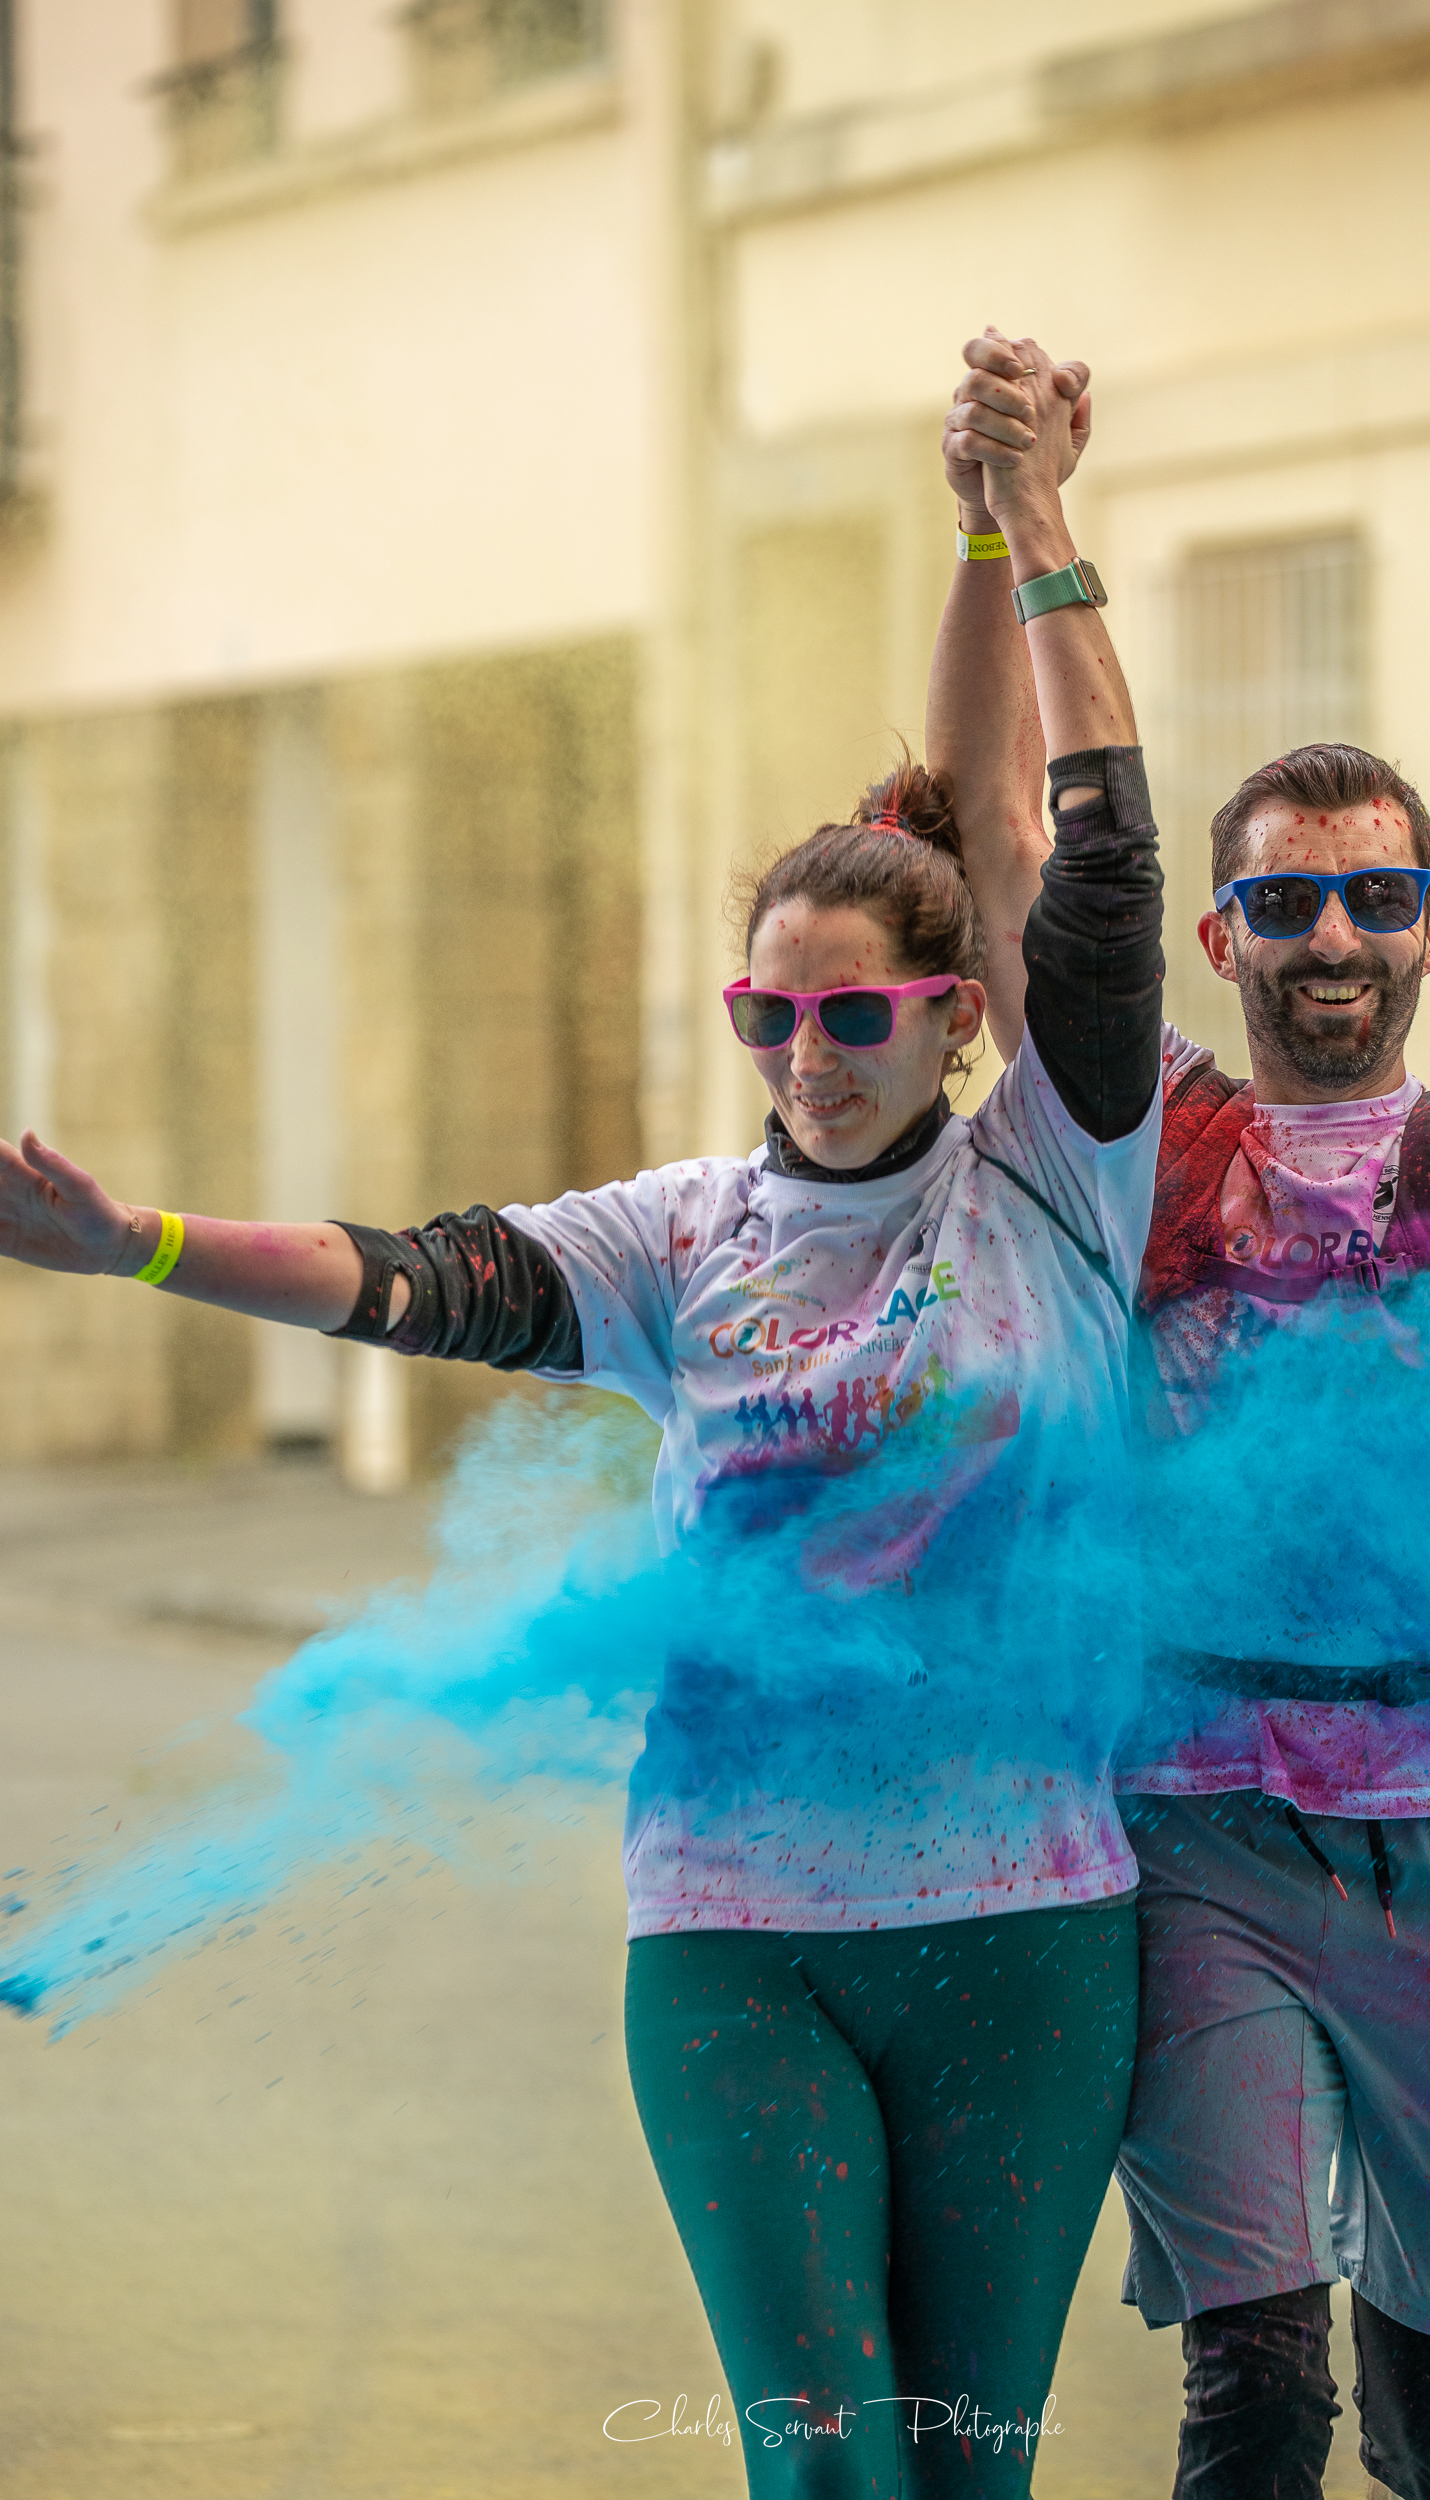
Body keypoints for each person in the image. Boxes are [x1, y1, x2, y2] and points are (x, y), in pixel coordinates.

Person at [0, 371, 1165, 2498]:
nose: (805, 1055)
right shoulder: (681, 1236)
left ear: (959, 1014)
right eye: (766, 1015)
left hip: (1027, 1917)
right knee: (830, 2466)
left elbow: (1073, 849)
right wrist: (135, 1243)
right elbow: (405, 1274)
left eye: (852, 1013)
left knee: (967, 2467)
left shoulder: (1062, 1177)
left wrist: (1022, 522)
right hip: (732, 1922)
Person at [927, 329, 1430, 2500]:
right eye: (1280, 898)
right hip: (1191, 1826)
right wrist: (1003, 526)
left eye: (1372, 895)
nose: (1329, 933)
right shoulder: (1140, 1132)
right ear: (1222, 933)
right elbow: (992, 851)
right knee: (1253, 2394)